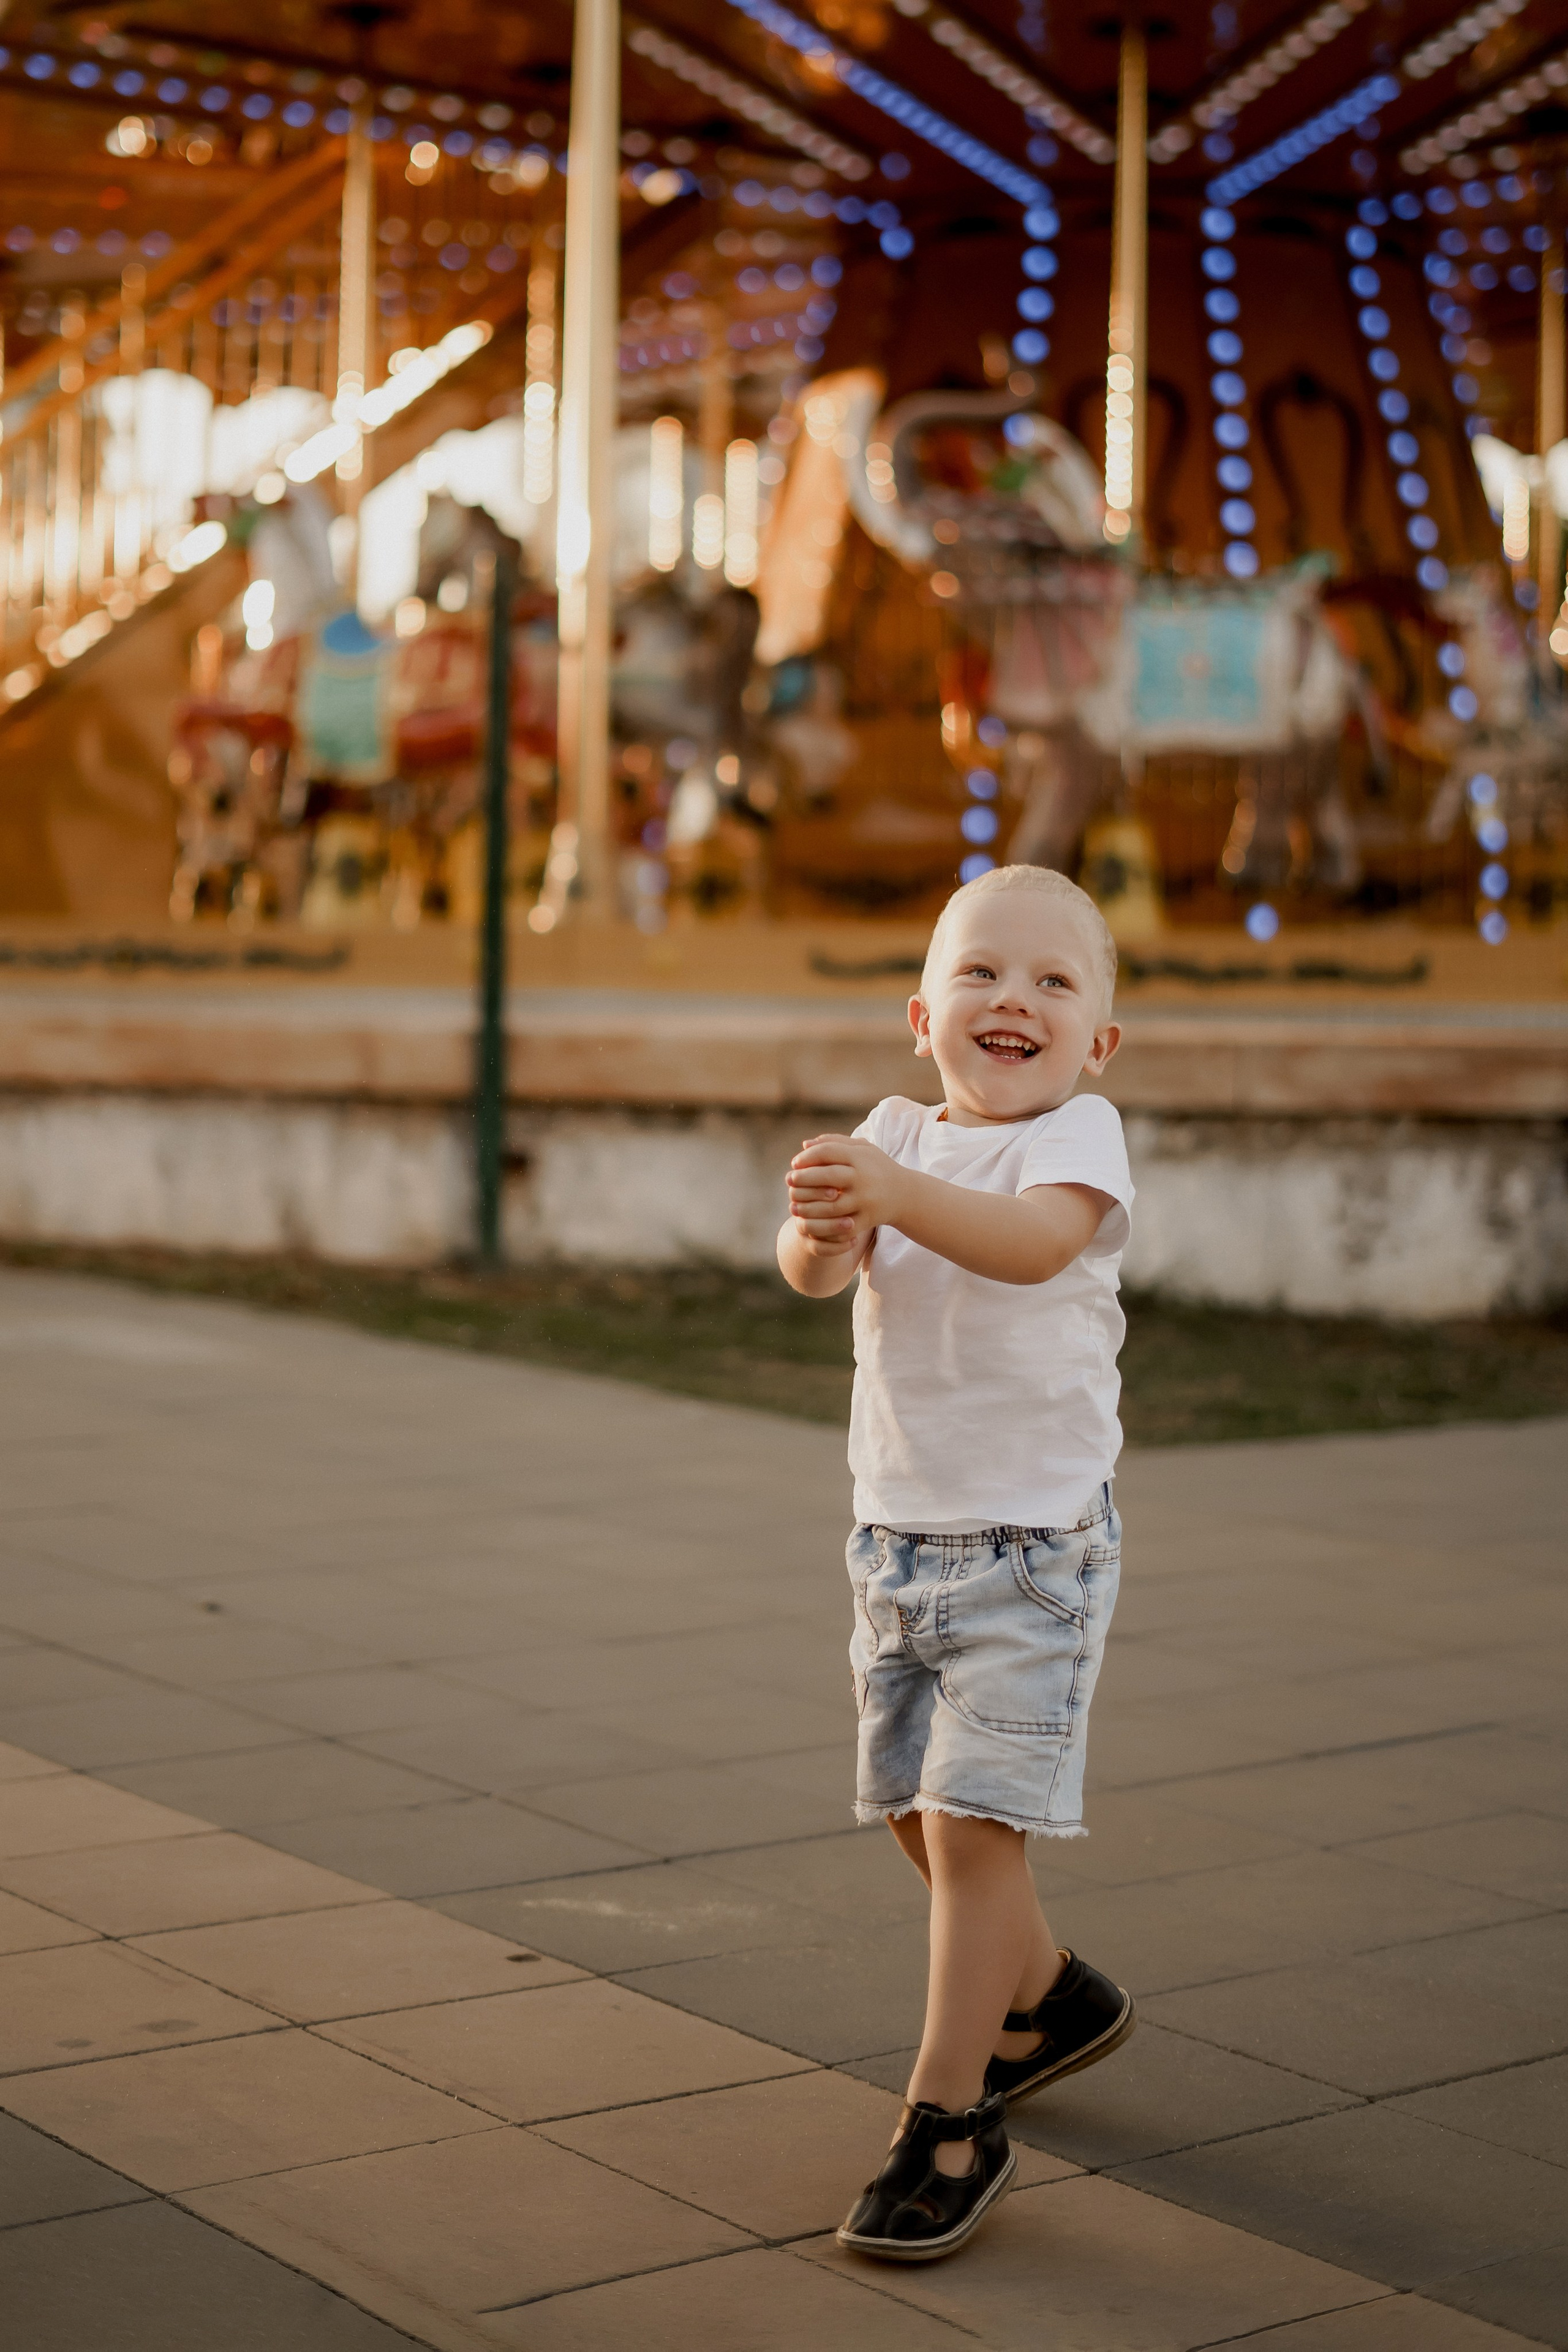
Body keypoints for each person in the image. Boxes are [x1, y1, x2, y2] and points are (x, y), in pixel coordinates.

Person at [778, 862, 1137, 2263]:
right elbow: (819, 1273)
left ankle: (946, 2116)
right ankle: (1048, 1994)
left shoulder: (1077, 1143)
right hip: (896, 1539)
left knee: (976, 1825)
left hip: (1032, 1550)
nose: (1014, 999)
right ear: (921, 1012)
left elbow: (1025, 1251)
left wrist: (893, 1192)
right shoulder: (891, 1132)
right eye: (983, 972)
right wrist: (823, 1224)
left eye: (1054, 982)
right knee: (912, 1812)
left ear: (1095, 1041)